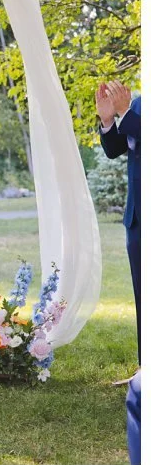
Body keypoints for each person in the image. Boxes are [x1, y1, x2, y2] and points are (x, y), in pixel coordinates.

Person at [97, 81, 140, 357]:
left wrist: (126, 113)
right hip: (136, 218)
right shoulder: (137, 102)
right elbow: (116, 149)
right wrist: (108, 119)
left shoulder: (132, 107)